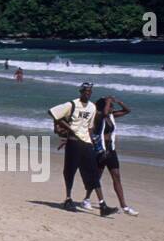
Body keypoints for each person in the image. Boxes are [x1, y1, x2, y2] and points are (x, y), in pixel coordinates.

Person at [48, 83, 117, 216]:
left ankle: (103, 205)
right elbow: (52, 112)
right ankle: (68, 198)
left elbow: (90, 127)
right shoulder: (72, 104)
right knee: (70, 171)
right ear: (81, 92)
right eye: (85, 91)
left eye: (90, 91)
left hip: (86, 144)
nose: (87, 93)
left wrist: (92, 141)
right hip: (73, 142)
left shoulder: (92, 107)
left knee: (93, 173)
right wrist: (69, 129)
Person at [90, 96, 137, 215]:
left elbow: (127, 110)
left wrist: (119, 101)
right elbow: (104, 113)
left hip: (111, 150)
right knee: (97, 177)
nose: (112, 107)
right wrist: (108, 101)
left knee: (116, 176)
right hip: (101, 151)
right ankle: (86, 198)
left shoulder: (111, 116)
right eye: (111, 106)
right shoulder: (99, 116)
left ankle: (124, 206)